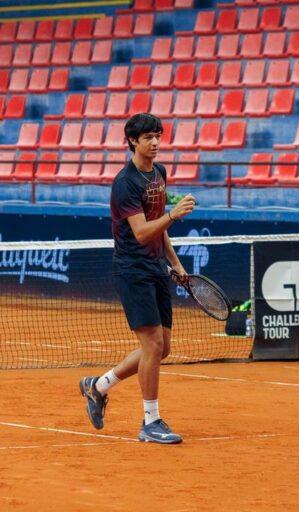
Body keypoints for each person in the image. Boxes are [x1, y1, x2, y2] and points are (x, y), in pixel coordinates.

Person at [79, 113, 196, 444]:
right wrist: (174, 215)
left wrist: (175, 263)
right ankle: (150, 421)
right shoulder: (125, 183)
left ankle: (97, 386)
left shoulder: (159, 173)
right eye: (148, 137)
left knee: (162, 348)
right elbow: (144, 232)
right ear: (132, 141)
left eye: (158, 136)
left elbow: (159, 227)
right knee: (153, 344)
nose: (155, 142)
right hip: (133, 269)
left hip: (157, 267)